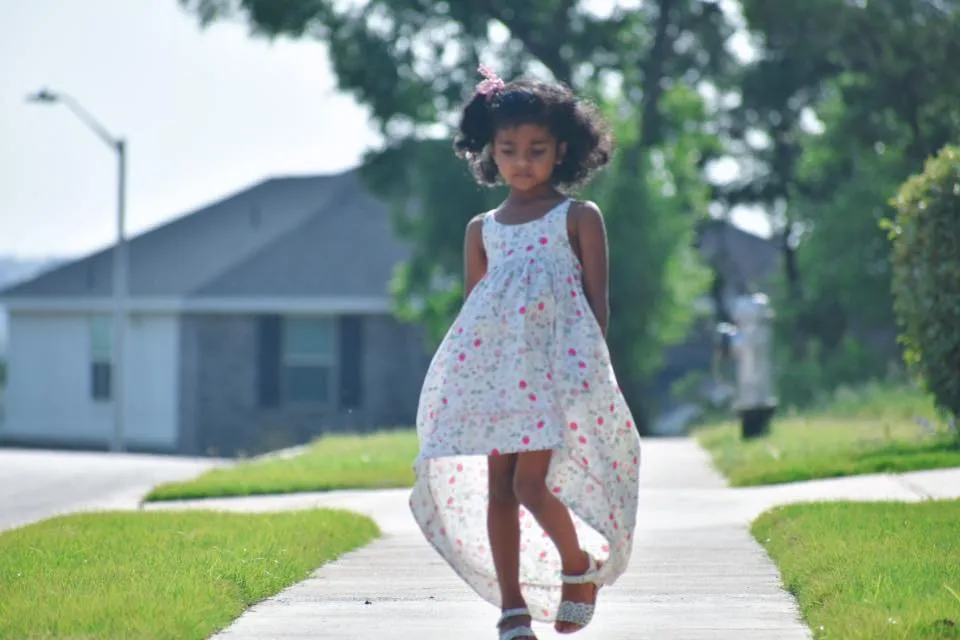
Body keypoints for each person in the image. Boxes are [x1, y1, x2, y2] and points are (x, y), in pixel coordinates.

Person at [409, 65, 642, 640]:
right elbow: (475, 311)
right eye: (508, 149)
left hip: (551, 375)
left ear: (563, 149)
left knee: (529, 486)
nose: (522, 161)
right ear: (489, 151)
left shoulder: (578, 218)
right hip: (493, 377)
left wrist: (589, 379)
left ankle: (577, 567)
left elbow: (596, 304)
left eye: (536, 149)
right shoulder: (481, 228)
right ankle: (513, 608)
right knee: (498, 489)